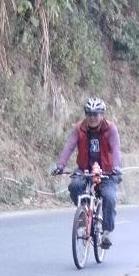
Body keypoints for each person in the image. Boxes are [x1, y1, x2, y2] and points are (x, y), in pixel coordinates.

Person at [52, 97, 122, 248]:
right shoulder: (79, 128)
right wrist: (60, 165)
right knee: (74, 186)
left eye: (96, 114)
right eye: (89, 114)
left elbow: (116, 149)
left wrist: (116, 167)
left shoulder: (110, 129)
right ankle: (84, 213)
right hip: (85, 170)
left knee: (109, 197)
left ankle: (106, 232)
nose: (92, 118)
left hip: (107, 172)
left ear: (102, 115)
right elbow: (69, 146)